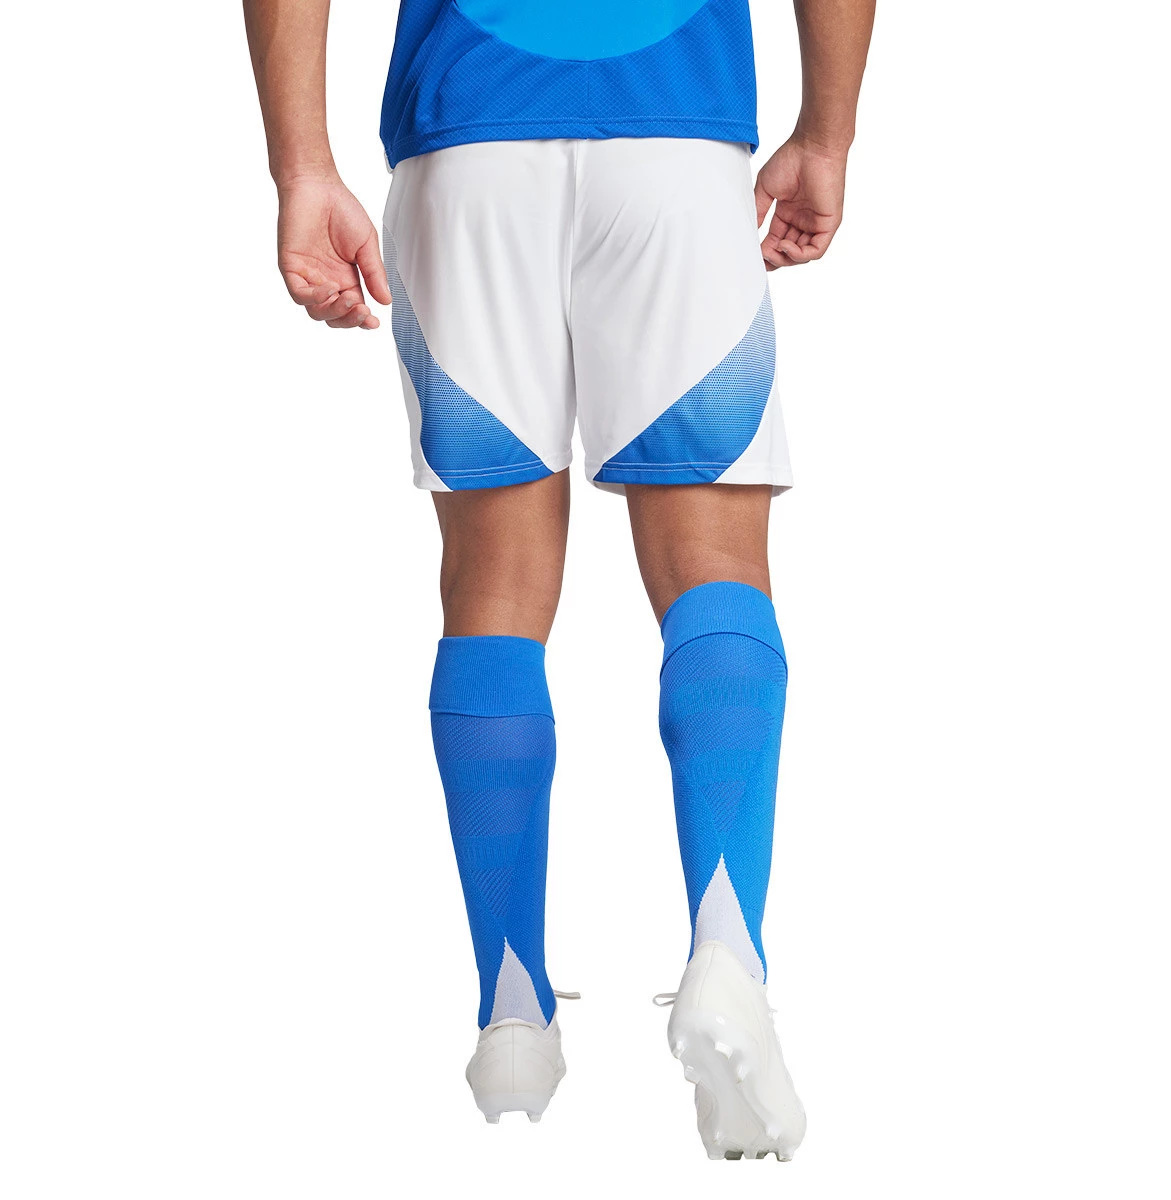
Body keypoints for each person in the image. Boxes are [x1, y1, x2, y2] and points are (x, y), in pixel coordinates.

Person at [243, 0, 873, 1160]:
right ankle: (727, 955)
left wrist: (302, 166)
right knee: (715, 564)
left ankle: (511, 1009)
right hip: (675, 129)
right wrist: (826, 133)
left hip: (466, 135)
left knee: (493, 584)